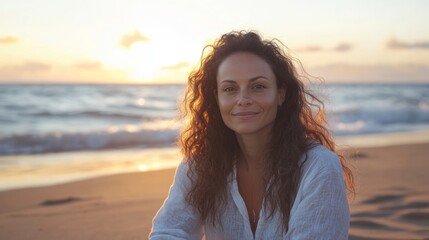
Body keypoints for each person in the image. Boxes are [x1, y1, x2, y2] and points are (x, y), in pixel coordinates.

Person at [149, 31, 354, 239]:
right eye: (230, 89)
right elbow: (168, 231)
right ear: (217, 98)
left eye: (258, 86)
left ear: (281, 93)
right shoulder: (200, 166)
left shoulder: (318, 167)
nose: (243, 99)